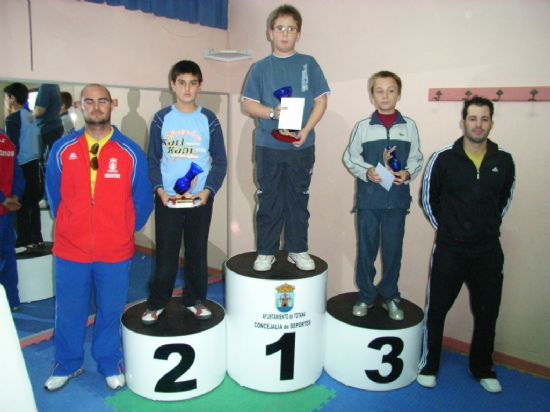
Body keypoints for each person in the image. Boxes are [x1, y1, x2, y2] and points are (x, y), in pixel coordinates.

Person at [44, 84, 153, 391]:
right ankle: (67, 364)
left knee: (110, 310)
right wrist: (70, 223)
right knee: (69, 310)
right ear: (80, 105)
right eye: (89, 102)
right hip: (70, 249)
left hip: (114, 251)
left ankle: (108, 362)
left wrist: (121, 229)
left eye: (101, 101)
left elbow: (142, 199)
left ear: (112, 105)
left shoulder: (130, 151)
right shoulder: (62, 149)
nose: (95, 107)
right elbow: (54, 194)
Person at [417, 96, 515, 393]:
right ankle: (429, 365)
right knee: (437, 309)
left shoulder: (504, 160)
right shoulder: (443, 158)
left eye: (484, 119)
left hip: (487, 251)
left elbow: (504, 200)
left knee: (488, 311)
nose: (478, 124)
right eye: (473, 119)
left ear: (491, 123)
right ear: (463, 122)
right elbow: (428, 200)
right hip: (450, 248)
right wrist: (449, 231)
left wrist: (485, 229)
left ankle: (483, 367)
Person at [241, 4, 329, 272]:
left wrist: (306, 130)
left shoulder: (309, 64)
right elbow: (248, 104)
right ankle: (266, 251)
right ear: (270, 33)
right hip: (269, 145)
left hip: (301, 146)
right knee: (269, 198)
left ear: (298, 34)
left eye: (291, 29)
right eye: (280, 28)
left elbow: (321, 101)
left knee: (298, 199)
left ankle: (297, 249)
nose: (285, 33)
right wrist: (271, 112)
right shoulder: (260, 68)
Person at [141, 60, 227, 325]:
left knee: (196, 254)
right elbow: (152, 159)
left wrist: (208, 192)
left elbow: (220, 161)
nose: (187, 88)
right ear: (172, 85)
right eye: (181, 83)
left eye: (192, 83)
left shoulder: (208, 119)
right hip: (168, 199)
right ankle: (157, 303)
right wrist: (160, 190)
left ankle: (195, 300)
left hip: (199, 199)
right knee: (166, 256)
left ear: (199, 86)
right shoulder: (161, 118)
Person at [343, 71, 423, 320]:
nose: (385, 96)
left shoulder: (408, 126)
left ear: (398, 94)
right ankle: (366, 296)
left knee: (392, 251)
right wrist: (367, 172)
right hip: (369, 201)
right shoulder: (363, 127)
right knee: (366, 249)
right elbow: (350, 157)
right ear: (372, 95)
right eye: (379, 90)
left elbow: (416, 158)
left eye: (390, 90)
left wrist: (408, 174)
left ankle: (390, 295)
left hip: (397, 202)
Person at [4, 83, 43, 250]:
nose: (5, 102)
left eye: (6, 98)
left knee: (20, 204)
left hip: (21, 165)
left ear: (12, 98)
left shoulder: (13, 119)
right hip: (34, 164)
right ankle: (37, 238)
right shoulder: (31, 116)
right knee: (33, 203)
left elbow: (12, 147)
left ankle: (24, 240)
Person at [0, 131, 24, 311]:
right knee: (8, 256)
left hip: (5, 207)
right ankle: (12, 300)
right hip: (8, 211)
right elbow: (18, 175)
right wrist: (13, 197)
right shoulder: (8, 141)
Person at [34, 83, 64, 162]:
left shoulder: (45, 86)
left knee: (46, 161)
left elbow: (40, 110)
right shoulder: (55, 85)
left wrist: (29, 116)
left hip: (48, 128)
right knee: (54, 157)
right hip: (55, 126)